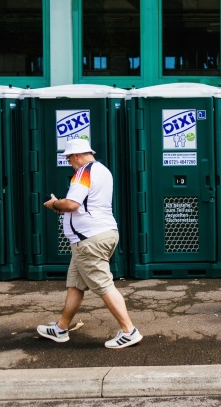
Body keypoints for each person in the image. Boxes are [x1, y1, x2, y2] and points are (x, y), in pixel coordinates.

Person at [37, 138, 143, 349]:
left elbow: (73, 203)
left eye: (69, 158)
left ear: (77, 155)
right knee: (75, 285)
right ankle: (61, 328)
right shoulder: (103, 170)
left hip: (89, 240)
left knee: (104, 285)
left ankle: (129, 331)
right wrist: (64, 207)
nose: (69, 162)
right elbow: (83, 205)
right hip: (98, 235)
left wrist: (54, 204)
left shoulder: (83, 173)